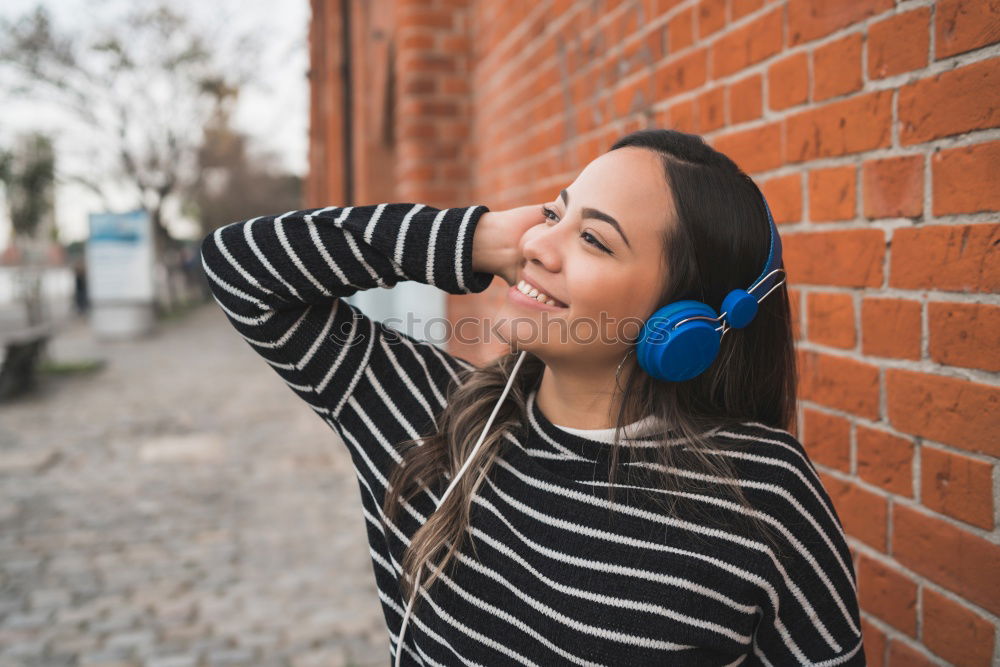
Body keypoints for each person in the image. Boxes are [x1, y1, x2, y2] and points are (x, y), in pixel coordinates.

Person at [200, 128, 865, 666]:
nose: (537, 244)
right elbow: (240, 266)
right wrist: (475, 237)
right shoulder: (426, 413)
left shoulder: (763, 491)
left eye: (593, 238)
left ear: (683, 324)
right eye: (555, 211)